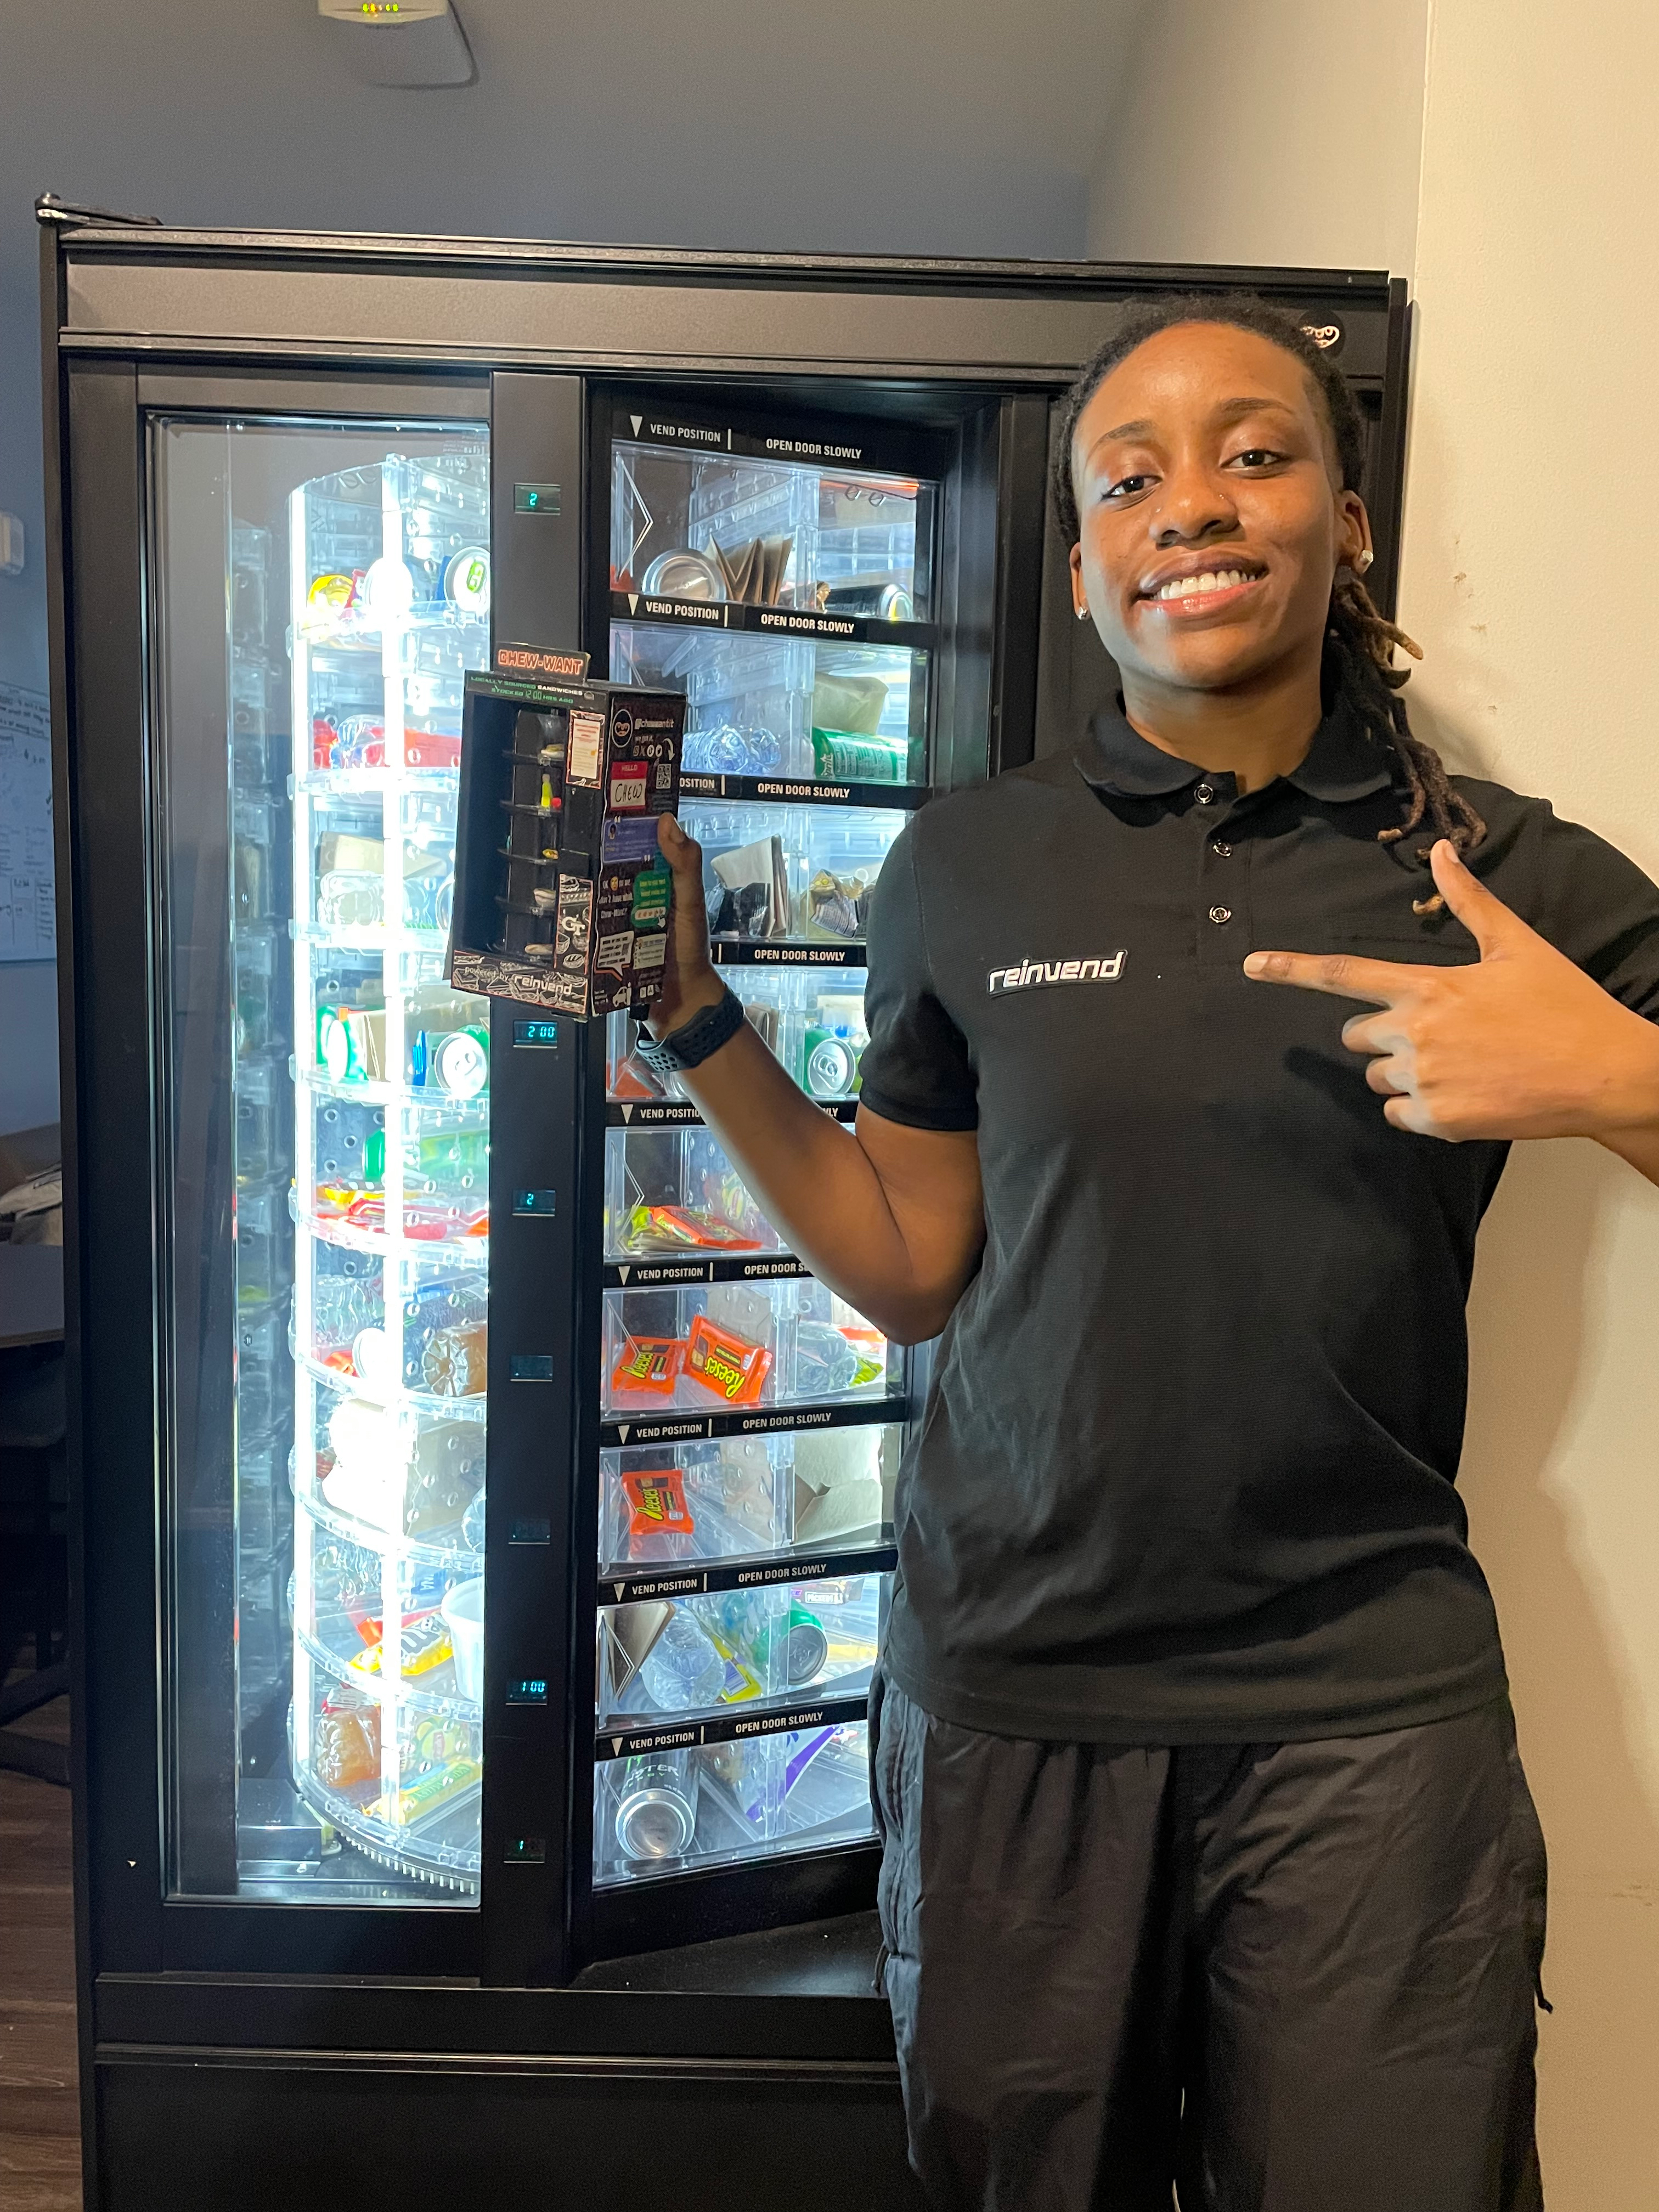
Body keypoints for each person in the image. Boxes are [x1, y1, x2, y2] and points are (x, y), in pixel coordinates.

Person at [640, 296, 1659, 2212]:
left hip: (1367, 1713)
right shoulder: (964, 866)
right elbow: (913, 1264)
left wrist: (1616, 1068)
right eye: (1135, 478)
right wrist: (697, 1016)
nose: (1194, 504)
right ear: (1091, 560)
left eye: (1257, 453)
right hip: (1014, 1694)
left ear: (1347, 518)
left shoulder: (1487, 867)